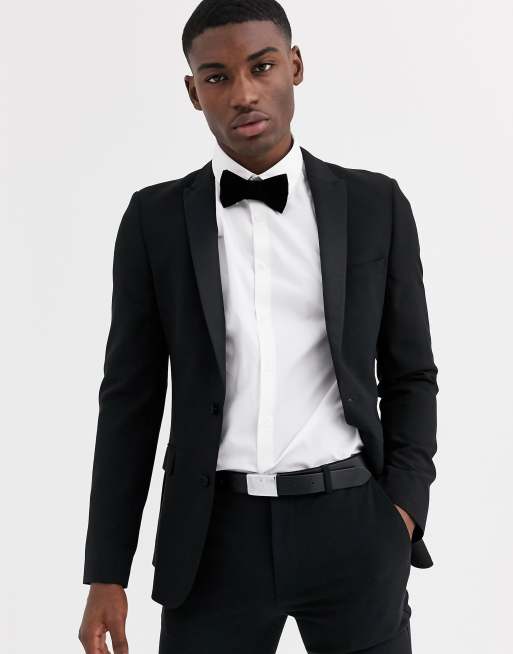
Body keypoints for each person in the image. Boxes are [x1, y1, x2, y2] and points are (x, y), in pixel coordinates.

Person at [78, 1, 439, 652]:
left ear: (294, 66)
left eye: (261, 66)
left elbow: (410, 373)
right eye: (216, 77)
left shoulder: (374, 204)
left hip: (353, 524)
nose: (243, 93)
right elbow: (130, 402)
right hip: (212, 538)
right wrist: (107, 571)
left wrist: (403, 511)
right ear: (193, 91)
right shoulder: (154, 221)